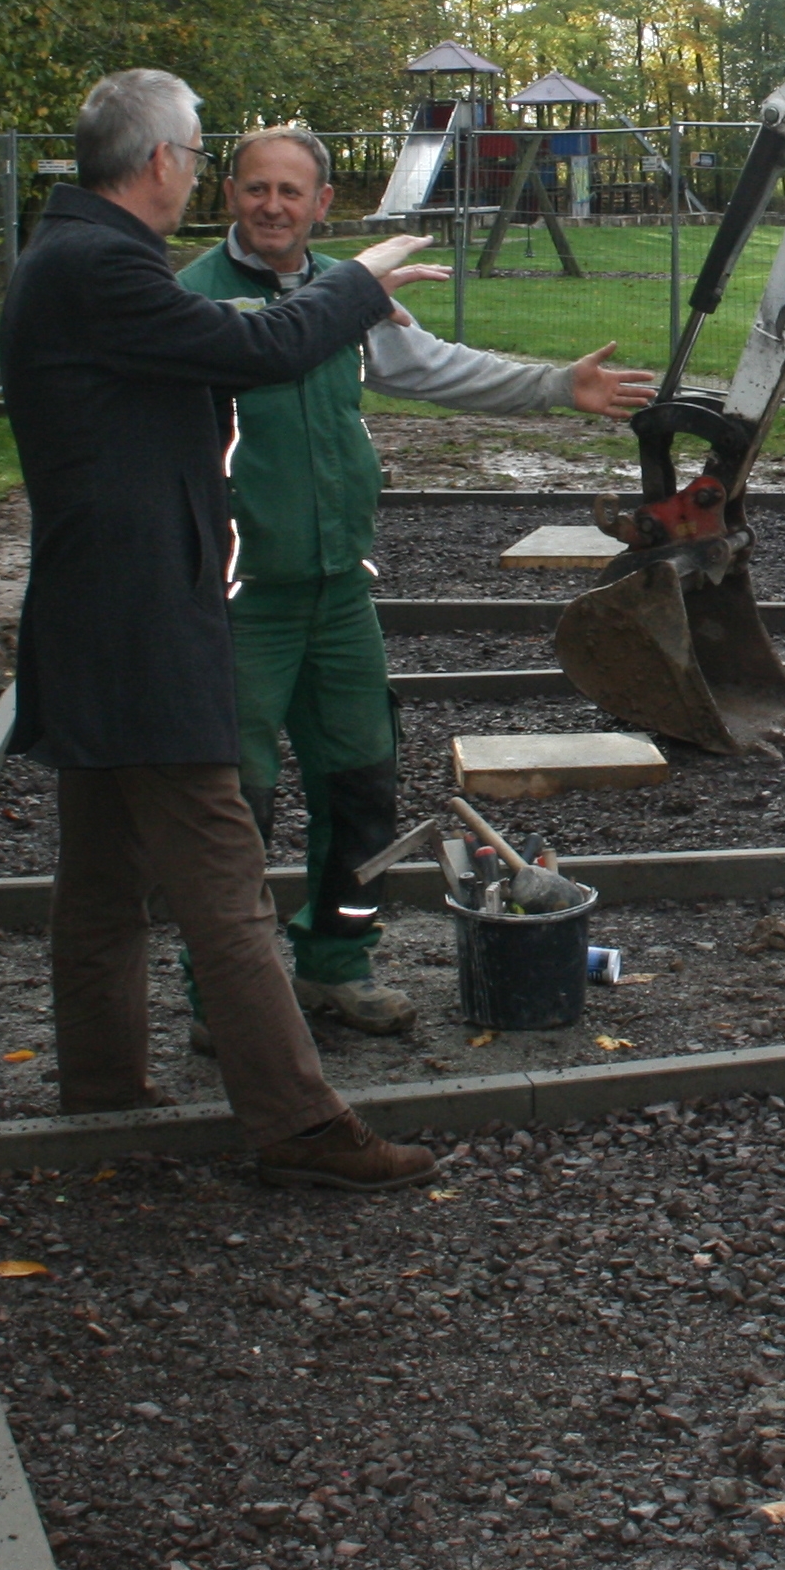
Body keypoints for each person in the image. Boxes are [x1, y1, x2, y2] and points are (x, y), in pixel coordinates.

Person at [0, 69, 452, 1191]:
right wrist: (358, 283)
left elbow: (222, 346)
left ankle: (101, 1087)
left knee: (102, 882)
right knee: (225, 879)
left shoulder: (76, 259)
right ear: (160, 160)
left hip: (98, 626)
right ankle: (300, 1124)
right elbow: (255, 351)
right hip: (144, 631)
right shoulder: (102, 267)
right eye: (200, 156)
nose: (200, 175)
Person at [177, 124, 657, 1033]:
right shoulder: (192, 298)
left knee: (363, 783)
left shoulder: (348, 295)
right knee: (232, 804)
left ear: (323, 204)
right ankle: (225, 995)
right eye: (255, 188)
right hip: (239, 602)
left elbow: (434, 367)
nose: (272, 206)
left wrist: (558, 385)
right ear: (229, 194)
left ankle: (336, 961)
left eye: (290, 191)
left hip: (338, 595)